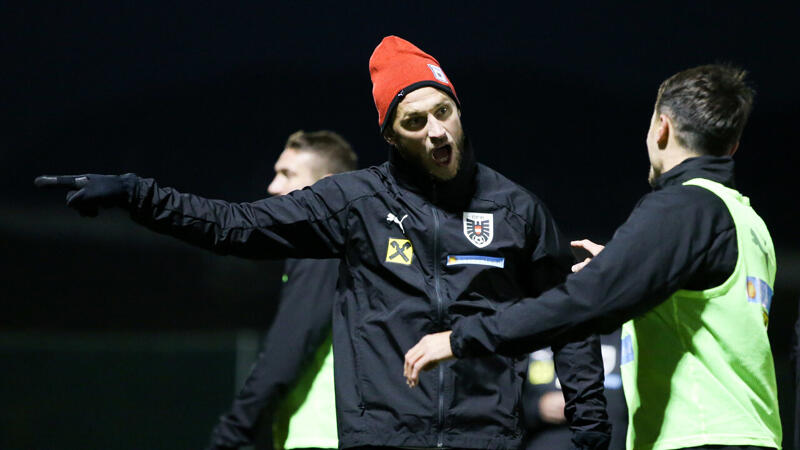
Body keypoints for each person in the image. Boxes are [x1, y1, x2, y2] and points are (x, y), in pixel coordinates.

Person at [36, 36, 610, 449]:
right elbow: (233, 225)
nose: (436, 131)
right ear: (390, 134)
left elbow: (569, 321)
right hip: (382, 437)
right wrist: (136, 193)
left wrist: (590, 432)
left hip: (490, 438)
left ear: (458, 108)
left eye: (444, 111)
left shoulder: (516, 208)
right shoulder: (356, 201)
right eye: (415, 122)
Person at [404, 64, 782, 449]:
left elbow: (584, 301)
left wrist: (461, 338)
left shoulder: (681, 207)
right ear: (732, 146)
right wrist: (630, 262)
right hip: (754, 432)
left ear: (661, 127)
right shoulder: (747, 220)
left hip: (701, 437)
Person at [207, 130, 357, 450]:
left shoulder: (323, 248)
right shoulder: (357, 244)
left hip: (324, 436)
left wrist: (233, 431)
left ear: (328, 187)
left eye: (287, 174)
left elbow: (287, 350)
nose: (273, 187)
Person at [523, 330, 627, 450]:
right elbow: (503, 403)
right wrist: (537, 407)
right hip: (544, 439)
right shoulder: (531, 332)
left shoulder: (621, 331)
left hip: (609, 442)